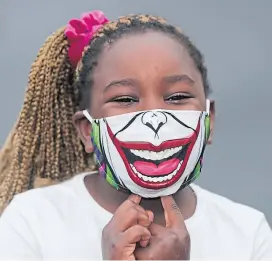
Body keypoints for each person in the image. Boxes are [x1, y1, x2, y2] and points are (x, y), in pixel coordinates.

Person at [0, 10, 271, 260]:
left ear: (209, 120)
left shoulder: (248, 233)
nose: (155, 118)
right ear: (87, 131)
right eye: (126, 99)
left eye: (177, 97)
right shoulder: (32, 222)